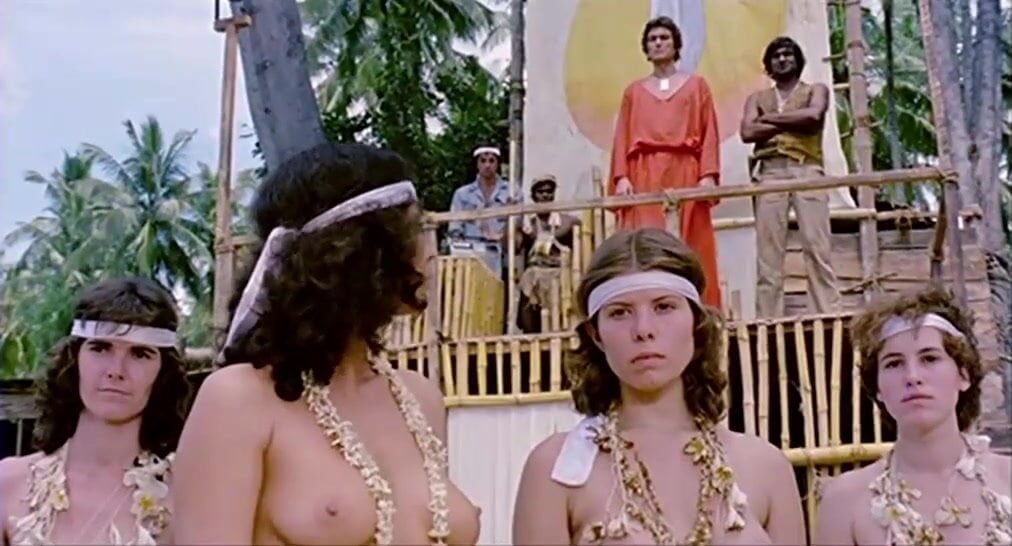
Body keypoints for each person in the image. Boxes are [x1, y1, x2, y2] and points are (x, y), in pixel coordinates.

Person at [171, 143, 480, 545]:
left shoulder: (421, 398)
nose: (431, 253)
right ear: (365, 251)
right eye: (416, 229)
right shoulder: (238, 399)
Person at [512, 228, 805, 545]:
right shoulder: (556, 469)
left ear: (695, 321)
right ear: (596, 335)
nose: (644, 329)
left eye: (664, 307)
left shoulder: (766, 467)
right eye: (620, 312)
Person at [0, 277, 190, 545]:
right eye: (100, 348)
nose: (116, 370)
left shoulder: (186, 497)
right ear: (74, 359)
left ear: (163, 373)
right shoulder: (8, 483)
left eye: (139, 354)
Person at [816, 288, 1011, 545]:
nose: (912, 377)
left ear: (963, 375)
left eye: (929, 358)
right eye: (894, 363)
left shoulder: (1008, 479)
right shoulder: (843, 501)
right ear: (878, 389)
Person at [609, 16, 722, 309]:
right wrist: (621, 177)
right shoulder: (634, 91)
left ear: (676, 45)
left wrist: (708, 174)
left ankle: (696, 309)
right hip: (644, 171)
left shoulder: (697, 86)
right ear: (646, 48)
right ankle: (651, 306)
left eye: (664, 38)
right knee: (647, 241)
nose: (658, 43)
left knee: (689, 242)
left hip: (686, 169)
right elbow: (622, 135)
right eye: (652, 39)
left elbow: (709, 131)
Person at [740, 36, 839, 317]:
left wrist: (767, 119)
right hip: (770, 172)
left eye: (788, 54)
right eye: (776, 56)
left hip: (807, 169)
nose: (782, 59)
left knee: (817, 248)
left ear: (798, 60)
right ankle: (768, 321)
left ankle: (827, 315)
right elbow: (747, 132)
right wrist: (793, 120)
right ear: (769, 64)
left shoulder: (816, 90)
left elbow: (813, 118)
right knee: (768, 255)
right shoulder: (757, 98)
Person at [517, 174, 581, 333]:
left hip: (559, 275)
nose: (545, 195)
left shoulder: (568, 222)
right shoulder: (529, 226)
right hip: (534, 277)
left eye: (549, 191)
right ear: (533, 196)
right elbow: (516, 247)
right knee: (528, 287)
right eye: (540, 192)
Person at [447, 145, 513, 277]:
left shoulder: (511, 192)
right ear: (477, 164)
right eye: (483, 161)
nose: (487, 165)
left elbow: (516, 227)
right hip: (470, 253)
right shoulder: (462, 194)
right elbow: (455, 228)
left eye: (492, 161)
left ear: (498, 164)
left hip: (499, 253)